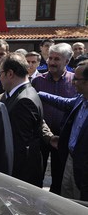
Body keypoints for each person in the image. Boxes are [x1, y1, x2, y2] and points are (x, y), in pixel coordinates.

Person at [38, 61, 88, 201]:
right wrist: (39, 93)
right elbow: (63, 102)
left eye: (77, 79)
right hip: (70, 159)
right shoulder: (81, 99)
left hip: (83, 167)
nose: (73, 83)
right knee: (67, 199)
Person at [32, 43, 77, 193]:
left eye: (57, 59)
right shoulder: (38, 81)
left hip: (64, 138)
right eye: (50, 58)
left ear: (67, 61)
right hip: (41, 135)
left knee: (59, 178)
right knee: (36, 175)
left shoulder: (75, 82)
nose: (51, 62)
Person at [0, 52, 44, 186]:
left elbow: (20, 147)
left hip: (21, 178)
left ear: (10, 73)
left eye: (0, 73)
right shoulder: (22, 93)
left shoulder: (24, 100)